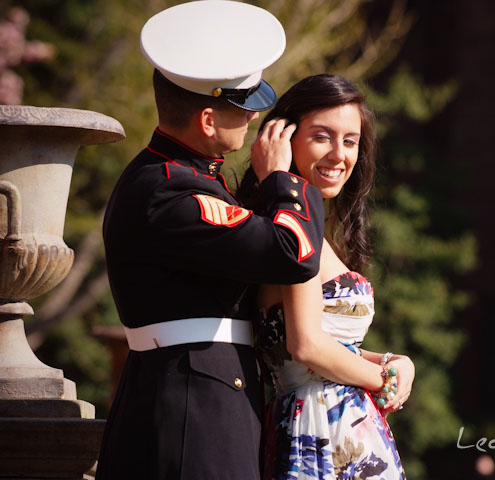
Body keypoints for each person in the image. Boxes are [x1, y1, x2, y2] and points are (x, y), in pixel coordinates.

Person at [96, 3, 326, 479]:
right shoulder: (171, 190)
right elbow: (292, 254)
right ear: (206, 120)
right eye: (242, 110)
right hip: (193, 407)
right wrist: (282, 180)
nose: (251, 121)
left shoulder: (176, 178)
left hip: (194, 391)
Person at [237, 74, 413, 480]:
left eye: (350, 141)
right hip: (319, 428)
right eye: (322, 137)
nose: (339, 154)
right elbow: (307, 346)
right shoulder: (288, 228)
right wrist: (381, 380)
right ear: (283, 138)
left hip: (341, 426)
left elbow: (323, 344)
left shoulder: (307, 228)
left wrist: (395, 362)